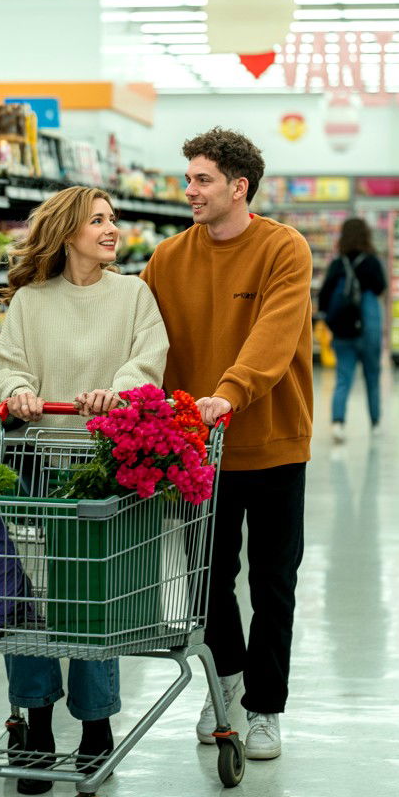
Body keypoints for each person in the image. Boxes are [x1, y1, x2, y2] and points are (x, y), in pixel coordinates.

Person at [141, 127, 313, 761]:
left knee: (274, 582)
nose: (190, 190)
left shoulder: (283, 249)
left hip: (272, 443)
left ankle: (265, 709)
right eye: (188, 179)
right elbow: (142, 339)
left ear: (239, 188)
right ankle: (226, 683)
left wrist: (231, 391)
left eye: (202, 179)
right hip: (197, 452)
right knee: (207, 580)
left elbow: (273, 333)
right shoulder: (166, 259)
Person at [0, 184, 169, 793]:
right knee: (30, 602)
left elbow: (149, 359)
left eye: (113, 220)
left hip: (103, 464)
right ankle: (36, 722)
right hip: (38, 461)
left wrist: (116, 391)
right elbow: (10, 362)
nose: (111, 230)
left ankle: (96, 726)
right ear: (68, 233)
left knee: (92, 599)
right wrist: (18, 391)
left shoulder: (134, 295)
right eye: (98, 221)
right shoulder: (31, 303)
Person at [318, 217, 387, 443]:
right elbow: (380, 288)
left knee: (342, 378)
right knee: (372, 377)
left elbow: (324, 298)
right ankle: (375, 423)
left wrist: (332, 324)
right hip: (369, 330)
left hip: (343, 332)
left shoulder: (338, 264)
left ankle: (338, 423)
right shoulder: (372, 262)